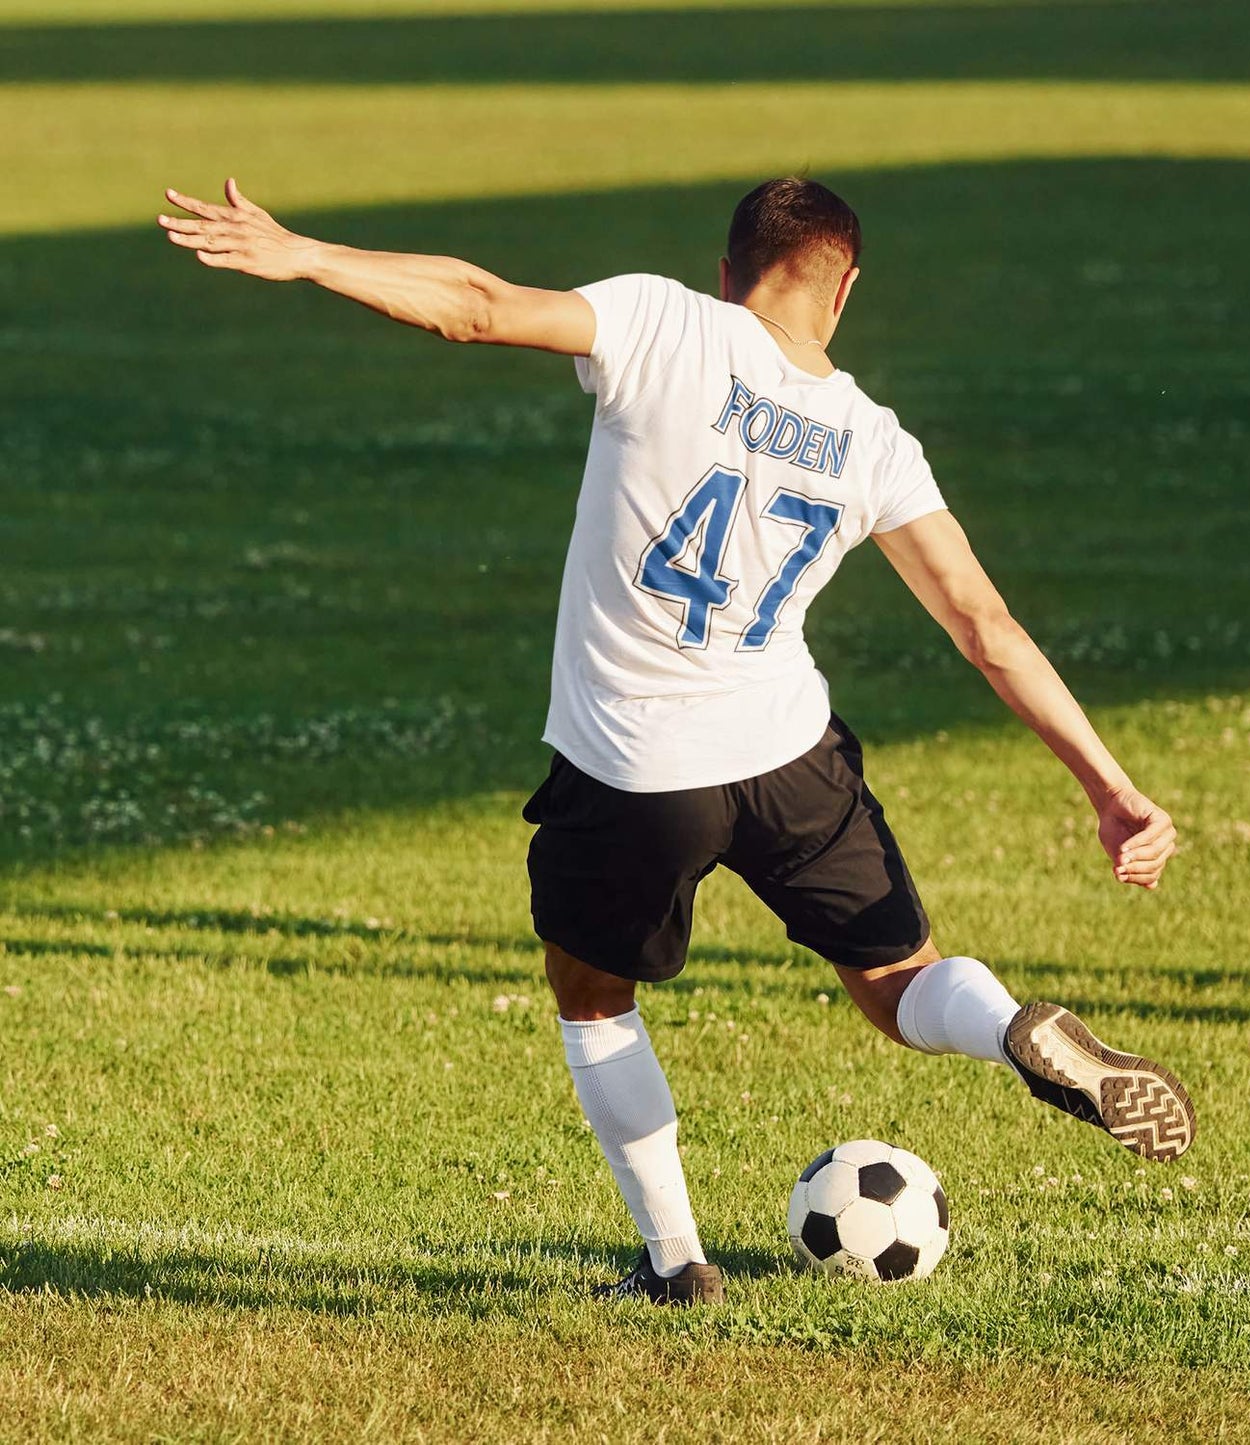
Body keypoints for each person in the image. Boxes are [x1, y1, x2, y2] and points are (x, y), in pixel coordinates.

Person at [158, 175, 1195, 1306]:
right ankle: (1011, 1029)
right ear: (842, 290)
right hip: (789, 754)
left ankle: (675, 1263)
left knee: (591, 993)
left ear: (727, 270)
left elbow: (473, 303)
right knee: (899, 984)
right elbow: (984, 628)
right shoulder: (871, 440)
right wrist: (1108, 785)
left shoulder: (665, 323)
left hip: (635, 772)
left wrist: (307, 253)